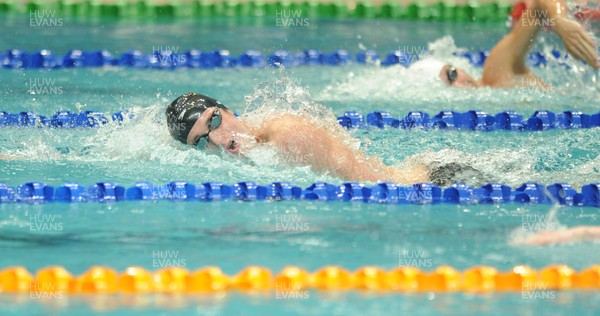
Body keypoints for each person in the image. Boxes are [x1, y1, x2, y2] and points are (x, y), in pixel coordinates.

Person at [165, 92, 434, 185]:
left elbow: (374, 186)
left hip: (432, 185)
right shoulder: (250, 150)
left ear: (227, 109)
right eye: (201, 141)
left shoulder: (288, 135)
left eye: (214, 120)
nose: (219, 140)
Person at [416, 0, 599, 88]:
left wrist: (558, 19)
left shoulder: (496, 72)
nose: (457, 85)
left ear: (460, 68)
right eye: (448, 85)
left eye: (452, 74)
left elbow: (537, 6)